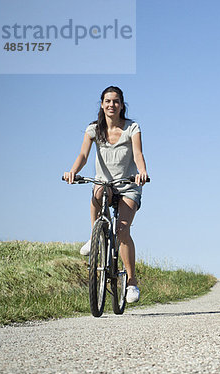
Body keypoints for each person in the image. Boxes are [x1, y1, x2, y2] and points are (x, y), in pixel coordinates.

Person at [63, 86, 149, 304]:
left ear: (122, 105)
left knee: (122, 230)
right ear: (102, 104)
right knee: (98, 189)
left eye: (116, 101)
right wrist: (74, 171)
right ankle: (95, 236)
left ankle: (131, 282)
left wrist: (142, 172)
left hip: (128, 184)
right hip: (106, 183)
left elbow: (138, 154)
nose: (112, 105)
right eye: (108, 101)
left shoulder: (132, 128)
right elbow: (83, 154)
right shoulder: (94, 129)